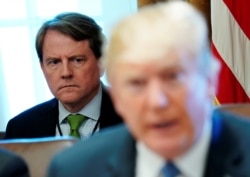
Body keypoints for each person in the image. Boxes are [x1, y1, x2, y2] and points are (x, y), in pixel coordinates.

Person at [47, 1, 250, 177]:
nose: (157, 101)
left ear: (210, 82)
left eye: (173, 77)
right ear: (117, 97)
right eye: (137, 83)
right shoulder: (75, 168)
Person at [4, 12, 122, 139]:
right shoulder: (21, 128)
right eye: (54, 62)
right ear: (43, 68)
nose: (66, 73)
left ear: (101, 63)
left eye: (77, 60)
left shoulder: (133, 119)